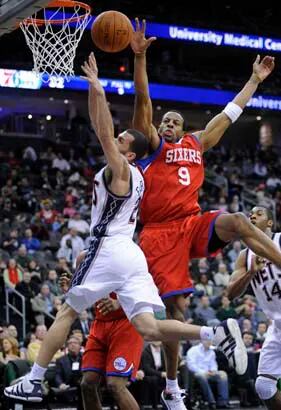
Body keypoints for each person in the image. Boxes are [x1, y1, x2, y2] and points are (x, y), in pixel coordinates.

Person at [5, 52, 246, 403]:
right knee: (149, 326)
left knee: (67, 311)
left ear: (131, 155)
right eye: (118, 139)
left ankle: (34, 379)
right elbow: (119, 129)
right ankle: (213, 332)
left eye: (123, 142)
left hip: (110, 245)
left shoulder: (121, 170)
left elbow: (102, 128)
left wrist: (97, 89)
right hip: (132, 255)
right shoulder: (141, 175)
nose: (116, 141)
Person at [131, 18, 279, 409]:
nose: (168, 124)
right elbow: (142, 100)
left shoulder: (198, 142)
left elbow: (229, 114)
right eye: (164, 121)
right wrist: (140, 59)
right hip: (159, 233)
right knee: (176, 311)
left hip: (193, 223)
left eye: (175, 121)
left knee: (238, 221)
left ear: (185, 127)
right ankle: (172, 385)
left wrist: (255, 81)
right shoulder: (150, 148)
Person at [60, 255, 143, 410]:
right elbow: (85, 294)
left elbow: (147, 288)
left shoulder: (129, 253)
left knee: (115, 385)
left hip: (126, 323)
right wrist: (71, 290)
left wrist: (119, 302)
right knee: (87, 383)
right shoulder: (86, 256)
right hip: (100, 324)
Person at [227, 206, 281, 409]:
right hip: (277, 326)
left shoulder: (280, 240)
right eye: (250, 213)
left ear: (269, 223)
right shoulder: (244, 256)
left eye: (259, 213)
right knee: (264, 386)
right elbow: (231, 294)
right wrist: (250, 273)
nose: (252, 215)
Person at [186, 340, 231, 409]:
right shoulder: (193, 350)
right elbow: (191, 365)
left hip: (209, 373)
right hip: (197, 373)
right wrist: (204, 372)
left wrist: (213, 371)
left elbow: (213, 364)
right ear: (202, 341)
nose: (209, 342)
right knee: (201, 376)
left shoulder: (211, 352)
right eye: (207, 341)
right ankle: (211, 401)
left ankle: (223, 402)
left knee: (223, 374)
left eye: (210, 341)